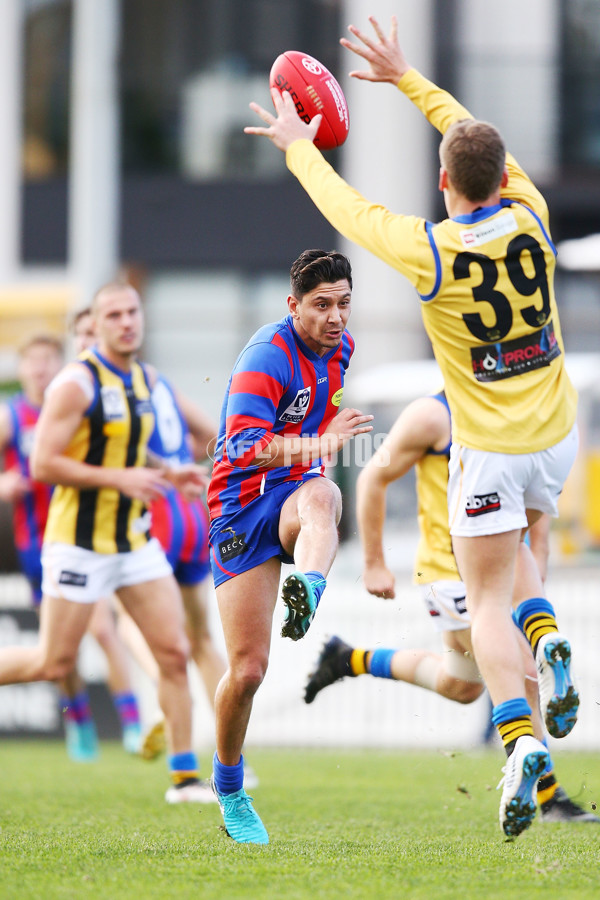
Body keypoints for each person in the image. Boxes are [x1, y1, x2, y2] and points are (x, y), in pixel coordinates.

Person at [245, 16, 579, 838]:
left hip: (491, 449)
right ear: (505, 175)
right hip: (560, 433)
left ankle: (519, 743)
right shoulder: (532, 211)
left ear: (442, 182)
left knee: (488, 598)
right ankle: (551, 642)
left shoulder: (431, 251)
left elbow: (346, 205)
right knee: (525, 571)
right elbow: (470, 141)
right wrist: (408, 79)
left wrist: (297, 143)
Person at [304, 391, 598, 824]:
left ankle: (349, 658)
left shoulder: (508, 408)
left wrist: (537, 561)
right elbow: (372, 478)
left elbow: (533, 497)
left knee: (460, 685)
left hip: (503, 563)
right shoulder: (431, 414)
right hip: (449, 572)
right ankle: (549, 797)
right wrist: (373, 562)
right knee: (524, 671)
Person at [0, 282, 212, 803]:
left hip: (134, 542)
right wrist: (121, 481)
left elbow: (133, 448)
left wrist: (173, 469)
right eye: (113, 314)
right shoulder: (75, 383)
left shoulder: (146, 379)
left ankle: (184, 780)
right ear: (95, 324)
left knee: (174, 651)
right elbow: (44, 463)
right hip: (77, 544)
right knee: (52, 662)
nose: (125, 322)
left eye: (132, 311)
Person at [207, 249, 373, 844]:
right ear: (293, 305)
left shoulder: (342, 349)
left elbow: (313, 448)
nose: (335, 317)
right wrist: (321, 440)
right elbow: (244, 448)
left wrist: (318, 454)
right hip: (239, 509)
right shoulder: (266, 357)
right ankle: (229, 791)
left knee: (323, 497)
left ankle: (309, 586)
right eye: (321, 305)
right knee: (248, 672)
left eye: (344, 304)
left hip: (292, 493)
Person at [0, 335, 103, 761]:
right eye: (33, 361)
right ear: (21, 370)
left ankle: (141, 722)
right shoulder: (11, 416)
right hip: (37, 545)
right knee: (58, 651)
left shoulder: (73, 408)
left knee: (106, 628)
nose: (40, 368)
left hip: (87, 537)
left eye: (48, 360)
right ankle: (79, 715)